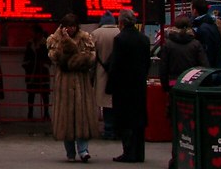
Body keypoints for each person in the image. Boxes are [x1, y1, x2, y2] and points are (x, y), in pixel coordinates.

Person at [47, 13, 99, 163]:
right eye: (68, 26)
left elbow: (90, 58)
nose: (71, 29)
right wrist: (69, 47)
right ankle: (70, 152)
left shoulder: (85, 37)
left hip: (81, 83)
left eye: (73, 26)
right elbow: (56, 58)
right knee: (66, 118)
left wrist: (73, 59)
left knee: (81, 116)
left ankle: (83, 150)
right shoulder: (55, 39)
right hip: (65, 84)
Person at [106, 10, 150, 163]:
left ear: (121, 22)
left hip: (123, 87)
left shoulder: (120, 39)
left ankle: (128, 152)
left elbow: (115, 65)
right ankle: (139, 153)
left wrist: (110, 86)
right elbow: (147, 63)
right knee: (138, 120)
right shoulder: (144, 39)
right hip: (139, 85)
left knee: (125, 121)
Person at [91, 10, 120, 140]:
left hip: (101, 71)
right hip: (117, 73)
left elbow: (91, 56)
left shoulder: (95, 34)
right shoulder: (120, 32)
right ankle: (116, 128)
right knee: (115, 101)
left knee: (105, 102)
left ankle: (108, 129)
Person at [158, 16, 208, 91]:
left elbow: (163, 68)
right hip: (192, 84)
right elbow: (204, 66)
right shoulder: (196, 44)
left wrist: (165, 86)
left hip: (173, 84)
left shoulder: (168, 45)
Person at [22, 23, 51, 121]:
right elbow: (26, 58)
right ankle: (30, 113)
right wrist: (27, 66)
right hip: (31, 73)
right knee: (31, 94)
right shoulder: (30, 44)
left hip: (42, 73)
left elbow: (48, 58)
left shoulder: (46, 44)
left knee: (45, 94)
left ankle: (46, 113)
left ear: (39, 33)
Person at [190, 0, 221, 68]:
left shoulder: (202, 28)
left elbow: (207, 52)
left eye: (191, 8)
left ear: (195, 10)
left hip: (209, 69)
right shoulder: (211, 24)